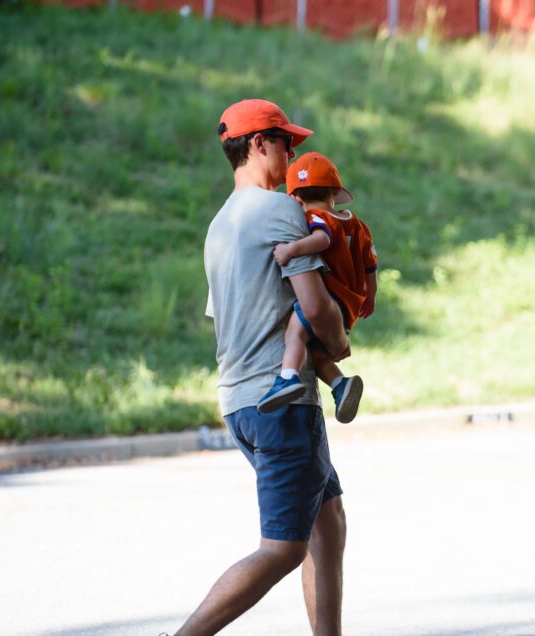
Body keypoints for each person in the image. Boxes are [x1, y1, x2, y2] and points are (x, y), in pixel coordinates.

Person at [176, 99, 349, 636]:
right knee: (282, 549)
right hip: (282, 403)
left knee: (328, 523)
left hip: (240, 402)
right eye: (284, 141)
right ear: (257, 145)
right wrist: (338, 345)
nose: (292, 151)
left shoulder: (219, 225)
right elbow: (314, 304)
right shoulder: (280, 211)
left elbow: (223, 313)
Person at [256, 152, 378, 424]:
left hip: (327, 296)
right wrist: (370, 298)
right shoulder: (358, 226)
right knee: (316, 353)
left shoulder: (318, 219)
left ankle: (287, 378)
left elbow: (322, 240)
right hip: (348, 305)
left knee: (294, 336)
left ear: (296, 198)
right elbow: (371, 266)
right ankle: (340, 385)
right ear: (334, 191)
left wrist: (291, 249)